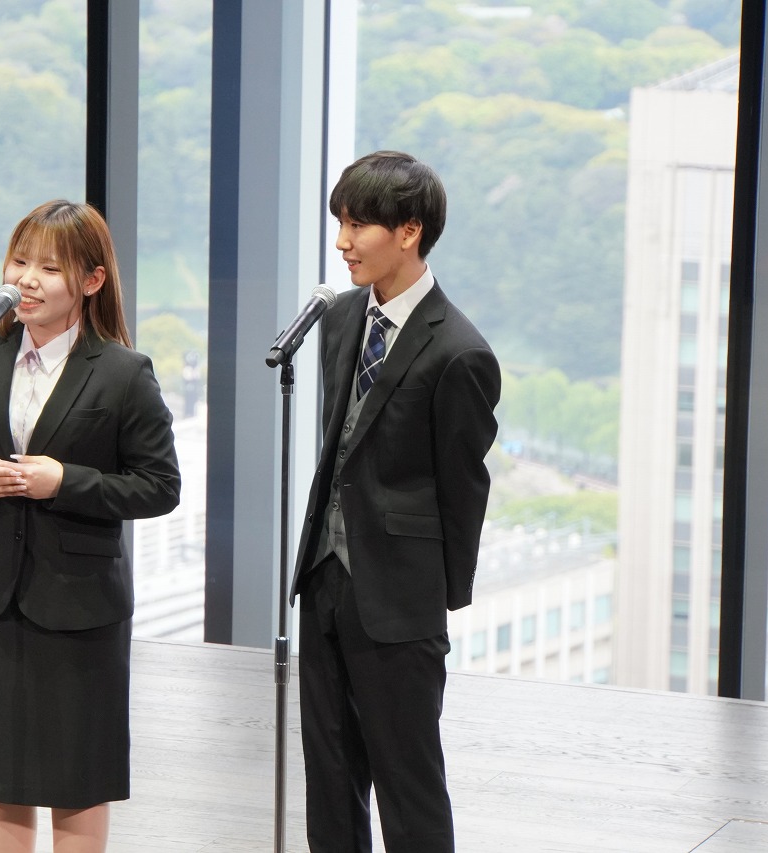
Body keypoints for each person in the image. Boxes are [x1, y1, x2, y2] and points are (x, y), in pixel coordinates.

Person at [0, 200, 181, 853]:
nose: (27, 279)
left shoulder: (123, 373)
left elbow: (160, 486)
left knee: (76, 776)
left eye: (49, 267)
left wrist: (64, 480)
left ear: (92, 280)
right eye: (20, 261)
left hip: (79, 605)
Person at [290, 151, 501, 852]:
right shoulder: (340, 318)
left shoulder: (459, 352)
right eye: (340, 224)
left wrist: (437, 598)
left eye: (358, 226)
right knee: (329, 775)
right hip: (325, 576)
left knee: (407, 785)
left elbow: (464, 488)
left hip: (400, 597)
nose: (342, 242)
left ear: (409, 231)